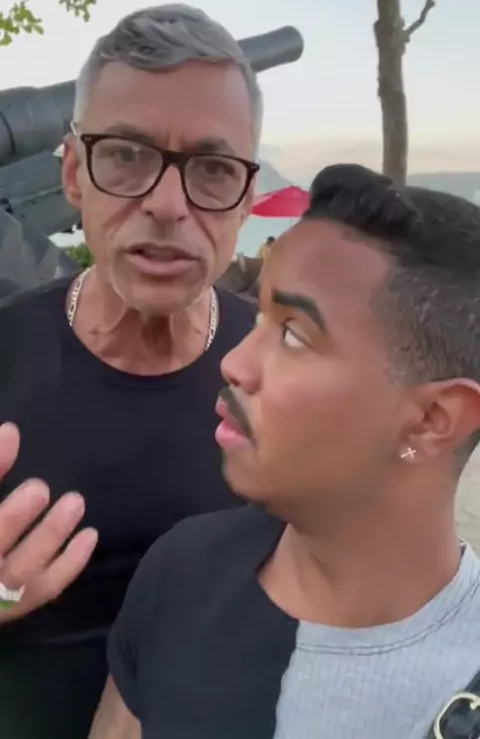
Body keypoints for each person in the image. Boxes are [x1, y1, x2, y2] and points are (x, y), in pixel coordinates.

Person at [94, 164, 480, 739]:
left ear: (432, 420)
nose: (234, 364)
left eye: (294, 335)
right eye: (259, 317)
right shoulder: (183, 571)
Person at [0, 4, 260, 738]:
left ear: (246, 198)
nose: (168, 205)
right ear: (74, 174)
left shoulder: (281, 371)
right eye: (126, 155)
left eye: (213, 169)